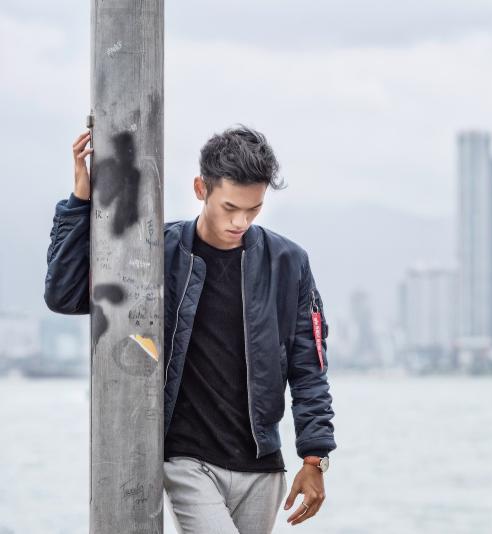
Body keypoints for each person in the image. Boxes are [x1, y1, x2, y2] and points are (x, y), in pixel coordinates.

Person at [44, 125, 337, 533]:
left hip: (262, 467)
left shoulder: (288, 262)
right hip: (186, 460)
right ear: (201, 189)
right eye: (230, 207)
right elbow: (65, 295)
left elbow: (309, 368)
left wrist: (314, 458)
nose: (240, 221)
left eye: (253, 210)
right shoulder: (157, 252)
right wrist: (80, 201)